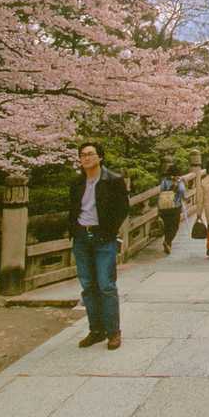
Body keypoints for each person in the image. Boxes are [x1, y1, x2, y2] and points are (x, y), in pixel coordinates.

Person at [68, 140, 129, 350]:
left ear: (100, 157)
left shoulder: (113, 180)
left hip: (103, 237)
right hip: (82, 238)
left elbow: (122, 209)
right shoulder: (76, 183)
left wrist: (109, 232)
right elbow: (73, 209)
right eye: (83, 154)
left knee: (106, 284)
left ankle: (113, 331)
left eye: (90, 154)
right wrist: (74, 232)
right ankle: (96, 330)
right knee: (88, 285)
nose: (86, 157)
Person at [158, 165, 186, 255]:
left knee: (167, 225)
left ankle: (168, 243)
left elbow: (161, 190)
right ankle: (167, 241)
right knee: (175, 226)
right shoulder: (178, 180)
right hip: (175, 206)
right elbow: (182, 190)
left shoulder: (164, 181)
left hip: (164, 207)